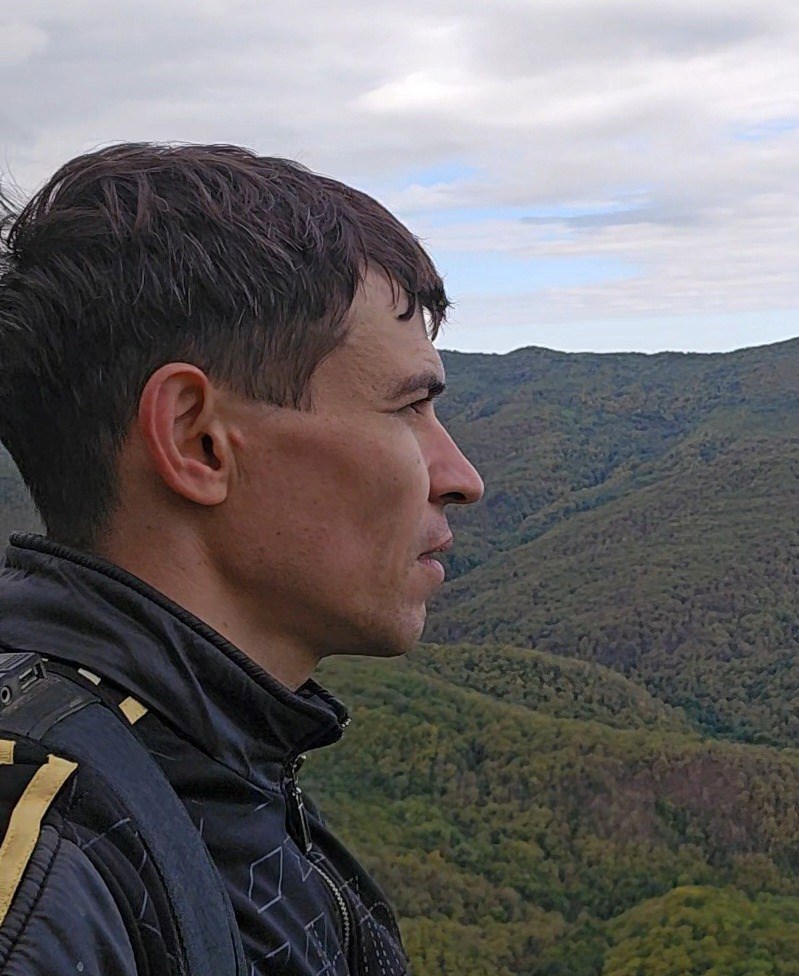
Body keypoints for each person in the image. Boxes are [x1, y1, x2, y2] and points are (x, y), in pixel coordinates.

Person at [0, 143, 484, 975]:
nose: (462, 478)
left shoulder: (201, 777)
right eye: (409, 406)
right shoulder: (47, 871)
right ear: (198, 440)